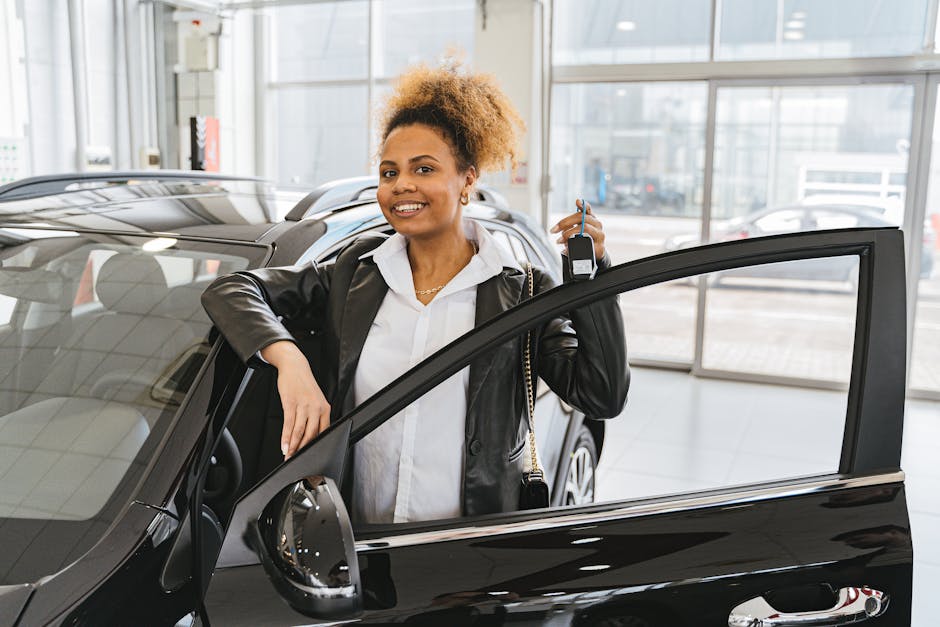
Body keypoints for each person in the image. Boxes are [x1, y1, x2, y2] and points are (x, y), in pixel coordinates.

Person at [201, 60, 628, 524]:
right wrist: (289, 361)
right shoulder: (355, 273)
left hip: (467, 548)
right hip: (354, 539)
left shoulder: (523, 290)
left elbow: (602, 394)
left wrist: (594, 278)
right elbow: (235, 288)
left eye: (423, 168)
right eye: (389, 172)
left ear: (467, 179)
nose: (401, 184)